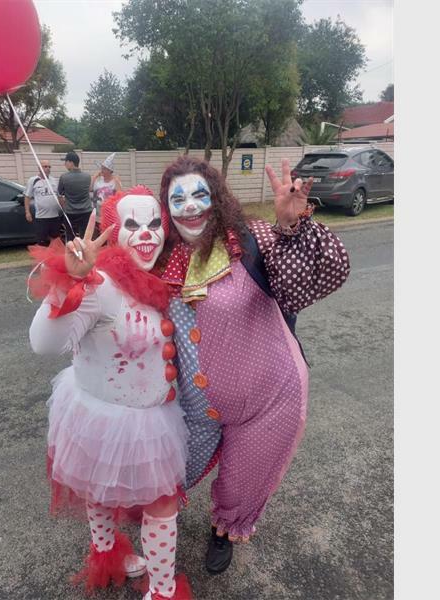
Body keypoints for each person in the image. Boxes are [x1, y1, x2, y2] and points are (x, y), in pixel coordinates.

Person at [156, 156, 351, 574]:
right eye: (177, 199)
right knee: (169, 470)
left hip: (268, 400)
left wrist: (291, 229)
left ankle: (224, 530)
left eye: (199, 195)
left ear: (217, 197)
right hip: (193, 406)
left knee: (241, 481)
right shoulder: (162, 254)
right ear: (166, 208)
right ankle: (156, 519)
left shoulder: (252, 238)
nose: (189, 207)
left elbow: (306, 286)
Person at [28, 187, 193, 600]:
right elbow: (43, 344)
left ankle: (157, 587)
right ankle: (119, 563)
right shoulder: (99, 284)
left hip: (154, 415)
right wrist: (68, 281)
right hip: (101, 414)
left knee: (152, 502)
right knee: (104, 491)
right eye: (133, 224)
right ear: (114, 231)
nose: (146, 234)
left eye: (154, 224)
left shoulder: (164, 278)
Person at [24, 160, 63, 246]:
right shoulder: (33, 180)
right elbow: (27, 197)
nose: (48, 168)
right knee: (42, 242)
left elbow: (59, 196)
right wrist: (27, 212)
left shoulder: (54, 181)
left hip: (54, 217)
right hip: (41, 218)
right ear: (39, 168)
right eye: (45, 166)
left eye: (49, 167)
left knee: (56, 241)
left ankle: (54, 254)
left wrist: (64, 208)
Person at [57, 151, 93, 243]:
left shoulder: (64, 177)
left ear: (71, 162)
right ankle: (84, 252)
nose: (65, 164)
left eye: (66, 162)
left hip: (70, 212)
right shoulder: (87, 177)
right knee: (85, 238)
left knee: (71, 238)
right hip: (86, 211)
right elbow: (89, 190)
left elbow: (60, 195)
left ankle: (72, 251)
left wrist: (63, 207)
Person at [89, 152, 122, 236]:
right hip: (97, 215)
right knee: (97, 237)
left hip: (109, 216)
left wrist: (117, 182)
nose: (101, 170)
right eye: (101, 168)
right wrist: (94, 178)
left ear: (109, 170)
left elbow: (120, 195)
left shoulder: (115, 181)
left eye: (104, 169)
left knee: (109, 237)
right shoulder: (98, 181)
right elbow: (90, 189)